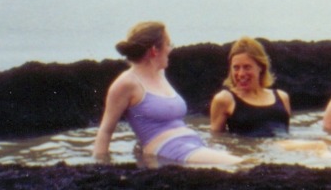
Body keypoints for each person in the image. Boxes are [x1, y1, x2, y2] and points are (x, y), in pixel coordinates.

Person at [94, 21, 242, 166]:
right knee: (242, 165)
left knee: (245, 163)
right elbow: (105, 131)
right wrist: (101, 169)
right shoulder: (126, 83)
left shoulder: (161, 74)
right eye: (168, 44)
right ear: (154, 50)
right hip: (169, 150)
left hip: (192, 144)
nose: (171, 49)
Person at [209, 37, 292, 136]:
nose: (241, 74)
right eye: (236, 68)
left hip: (281, 149)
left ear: (261, 67)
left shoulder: (282, 97)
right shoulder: (224, 99)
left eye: (247, 67)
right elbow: (216, 139)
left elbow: (287, 133)